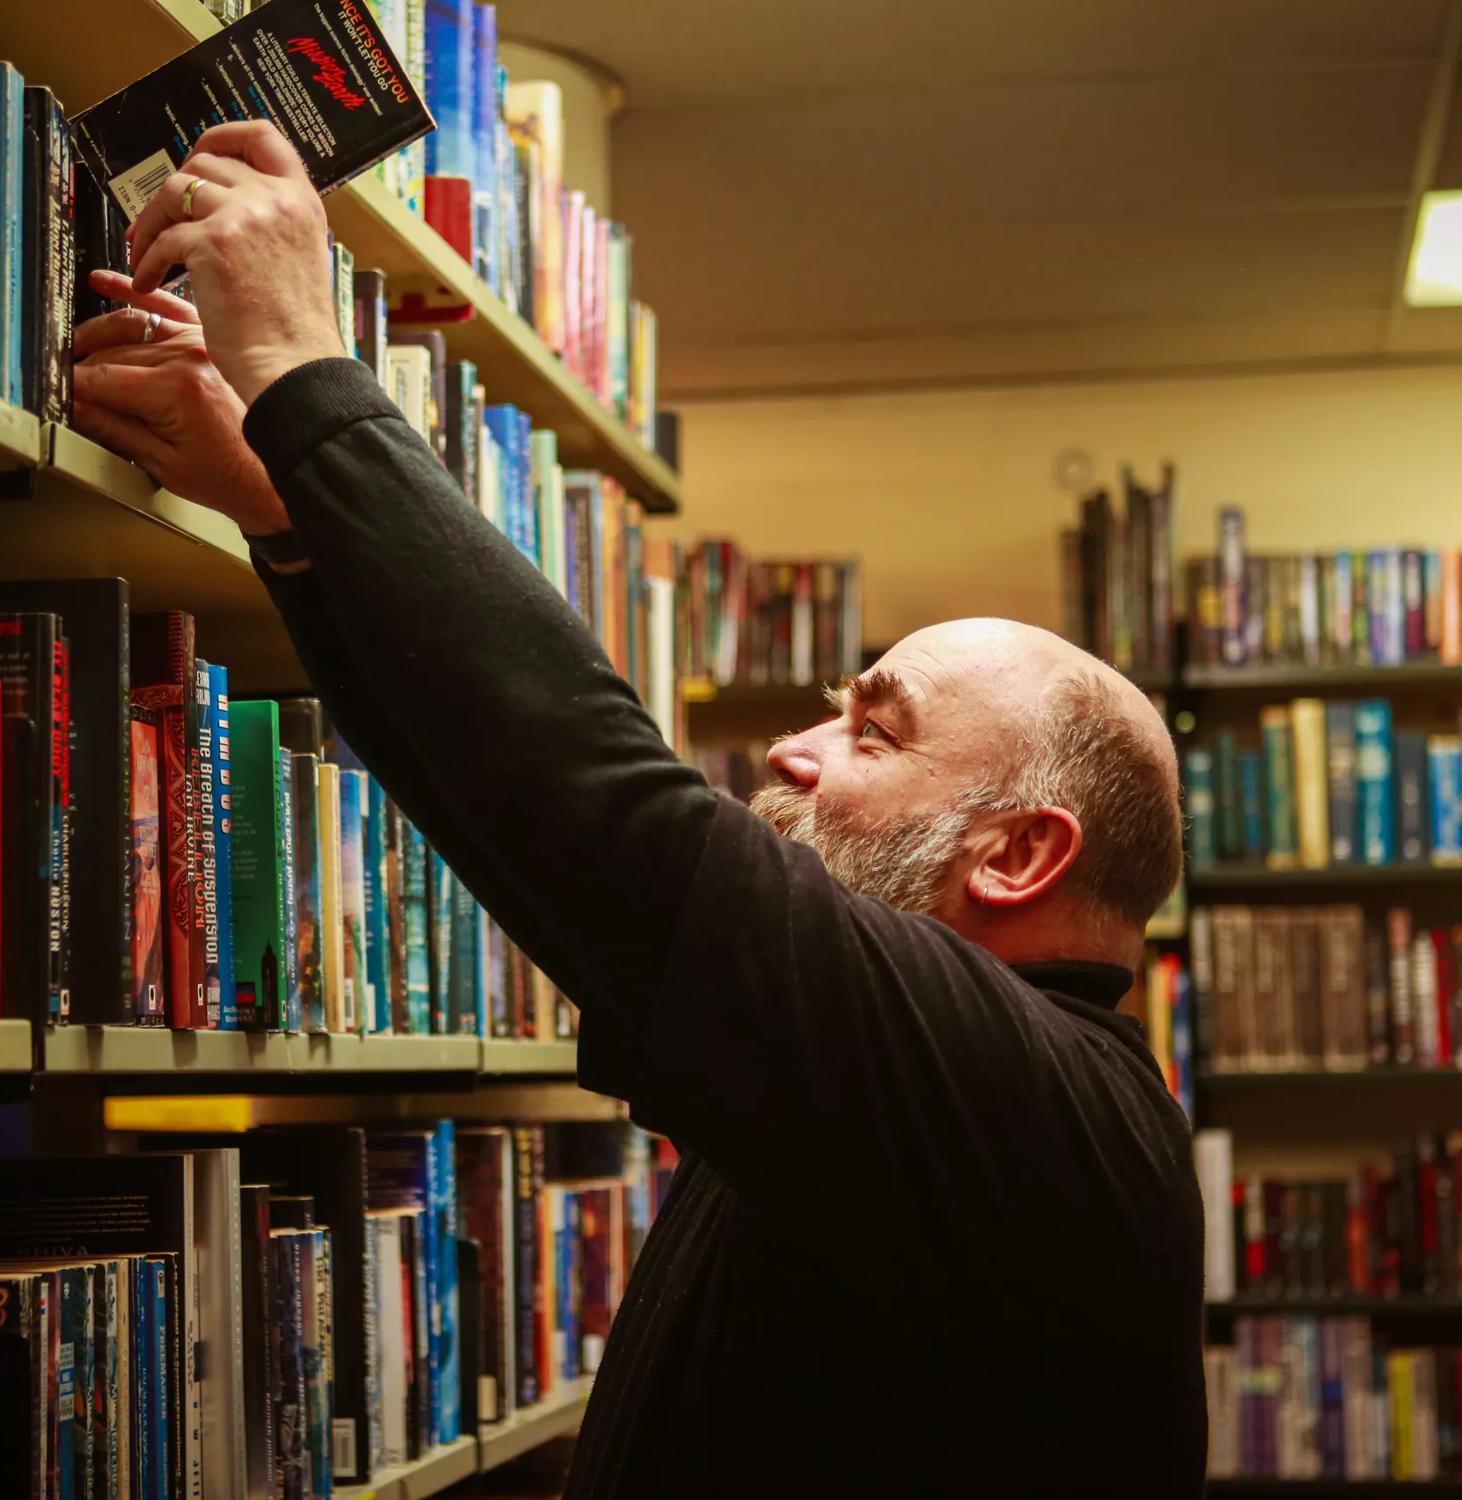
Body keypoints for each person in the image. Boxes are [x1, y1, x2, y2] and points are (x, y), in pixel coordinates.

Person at [73, 122, 1208, 1497]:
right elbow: (527, 834)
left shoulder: (1019, 1095)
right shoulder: (944, 1096)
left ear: (1019, 852)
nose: (793, 750)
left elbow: (611, 816)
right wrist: (298, 517)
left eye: (872, 727)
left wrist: (311, 374)